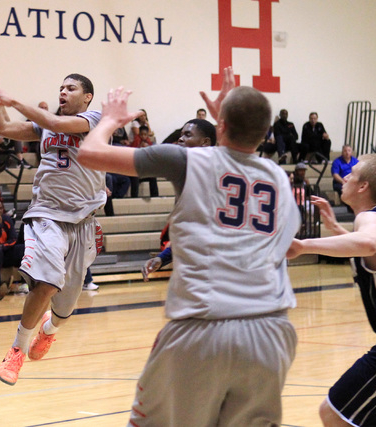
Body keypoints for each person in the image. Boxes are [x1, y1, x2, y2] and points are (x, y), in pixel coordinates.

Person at [77, 68, 300, 426]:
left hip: (204, 327)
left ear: (220, 124)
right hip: (272, 332)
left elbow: (89, 153)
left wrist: (110, 119)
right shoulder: (280, 180)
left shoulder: (187, 160)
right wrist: (227, 120)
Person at [0, 57, 104, 386]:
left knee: (65, 309)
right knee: (47, 282)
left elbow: (62, 125)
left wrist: (17, 102)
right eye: (60, 87)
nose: (63, 91)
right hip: (46, 214)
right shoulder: (46, 125)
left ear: (87, 96)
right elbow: (2, 128)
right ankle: (17, 351)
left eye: (71, 87)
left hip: (82, 221)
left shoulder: (96, 118)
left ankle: (49, 329)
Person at [286, 155, 376, 426]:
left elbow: (371, 243)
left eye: (352, 174)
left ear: (363, 186)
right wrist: (335, 229)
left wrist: (304, 246)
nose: (345, 177)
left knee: (333, 412)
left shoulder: (369, 220)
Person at [141, 118, 217, 280]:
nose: (180, 139)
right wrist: (163, 257)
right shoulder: (188, 176)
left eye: (188, 135)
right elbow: (190, 233)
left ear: (205, 142)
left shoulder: (214, 176)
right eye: (181, 135)